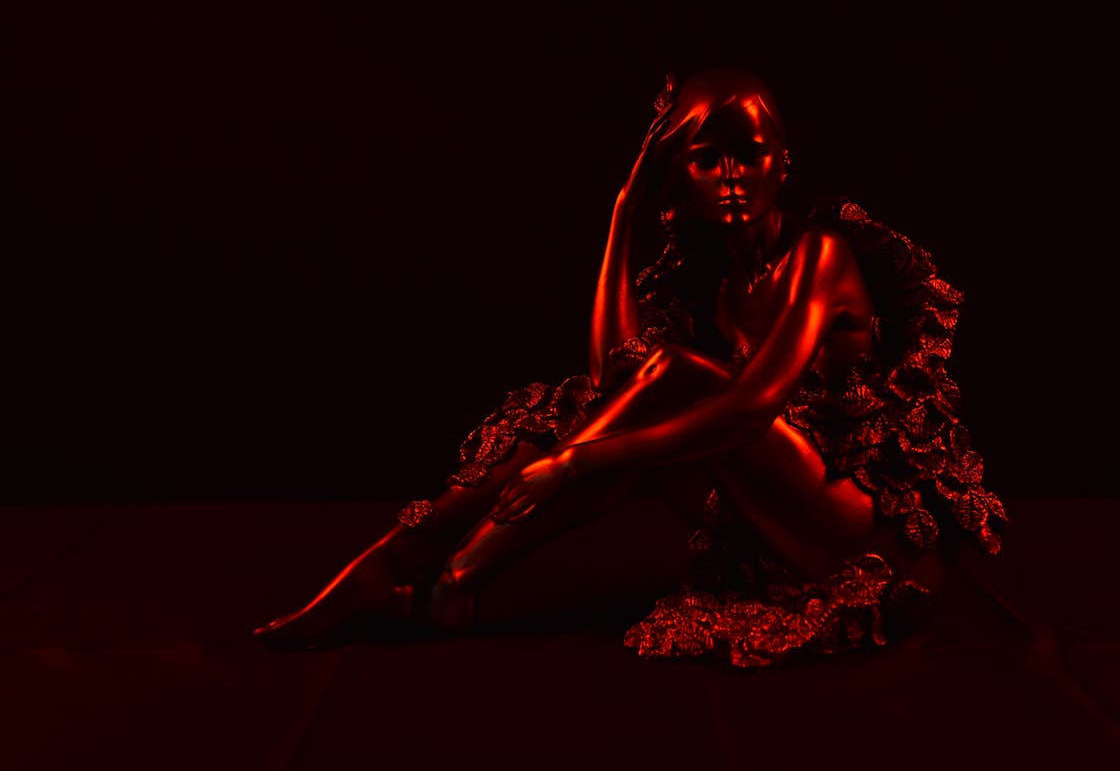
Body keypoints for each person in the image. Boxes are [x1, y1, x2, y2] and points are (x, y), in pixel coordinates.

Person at [253, 68, 1007, 667]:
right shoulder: (718, 282)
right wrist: (624, 206)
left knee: (651, 397)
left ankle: (450, 578)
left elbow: (749, 406)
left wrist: (576, 465)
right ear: (683, 178)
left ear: (784, 162)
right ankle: (413, 566)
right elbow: (613, 381)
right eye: (707, 161)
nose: (732, 176)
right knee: (578, 414)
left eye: (749, 154)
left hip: (874, 542)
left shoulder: (819, 256)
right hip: (781, 514)